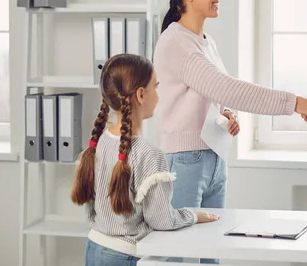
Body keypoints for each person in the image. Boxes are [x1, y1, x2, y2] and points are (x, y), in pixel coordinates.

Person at [153, 0, 307, 213]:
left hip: (214, 157)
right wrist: (296, 103)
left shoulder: (206, 42)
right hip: (187, 160)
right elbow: (227, 88)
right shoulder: (176, 41)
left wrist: (224, 115)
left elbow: (212, 96)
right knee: (181, 249)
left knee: (214, 246)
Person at [70, 53, 219, 265]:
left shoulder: (98, 143)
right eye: (155, 87)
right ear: (141, 95)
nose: (158, 95)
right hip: (123, 256)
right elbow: (161, 220)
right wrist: (193, 215)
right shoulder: (149, 153)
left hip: (94, 248)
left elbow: (93, 208)